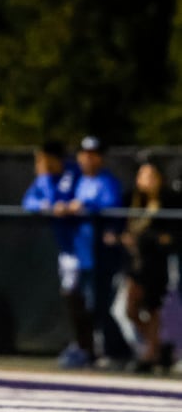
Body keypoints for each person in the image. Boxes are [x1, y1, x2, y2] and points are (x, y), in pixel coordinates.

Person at [53, 134, 125, 368]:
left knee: (99, 304)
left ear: (100, 158)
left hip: (99, 254)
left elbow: (111, 206)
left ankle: (116, 349)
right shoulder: (76, 180)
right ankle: (85, 348)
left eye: (93, 155)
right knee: (77, 302)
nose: (87, 159)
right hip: (77, 251)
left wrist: (84, 206)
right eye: (84, 154)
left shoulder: (107, 182)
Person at [20, 139, 83, 367]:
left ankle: (89, 345)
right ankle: (81, 345)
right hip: (67, 248)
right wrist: (48, 204)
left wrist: (67, 205)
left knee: (86, 298)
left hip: (84, 246)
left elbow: (81, 199)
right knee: (71, 295)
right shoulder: (46, 179)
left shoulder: (74, 173)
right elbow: (28, 202)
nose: (38, 164)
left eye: (41, 158)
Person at [118, 154, 180, 372]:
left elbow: (170, 236)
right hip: (135, 262)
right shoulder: (133, 199)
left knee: (152, 306)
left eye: (150, 175)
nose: (145, 180)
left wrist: (152, 238)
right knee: (130, 309)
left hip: (156, 263)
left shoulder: (169, 200)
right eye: (142, 175)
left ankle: (151, 353)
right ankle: (157, 347)